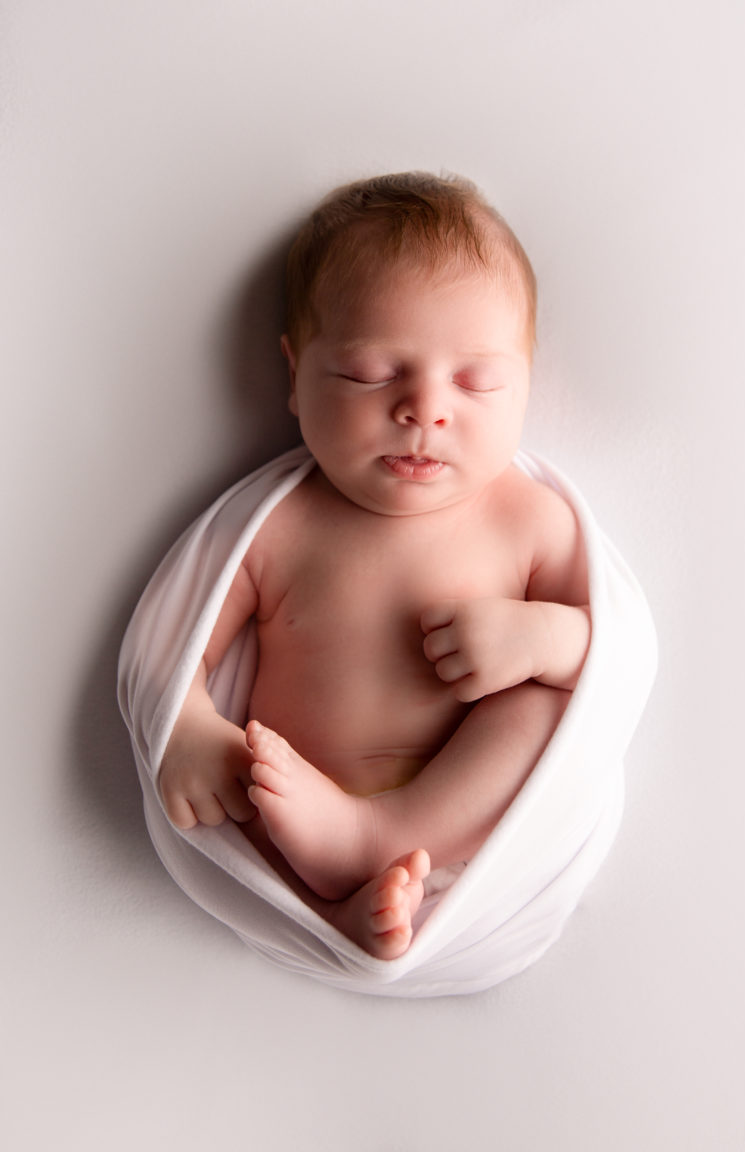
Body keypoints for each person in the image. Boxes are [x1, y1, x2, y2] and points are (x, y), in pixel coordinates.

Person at [158, 172, 591, 960]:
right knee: (248, 765)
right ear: (294, 376)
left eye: (477, 380)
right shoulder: (276, 528)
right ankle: (338, 910)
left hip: (464, 835)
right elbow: (181, 646)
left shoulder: (532, 522)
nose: (425, 408)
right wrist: (184, 724)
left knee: (544, 706)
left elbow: (610, 658)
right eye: (370, 373)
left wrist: (545, 639)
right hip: (296, 811)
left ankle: (379, 849)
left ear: (525, 380)